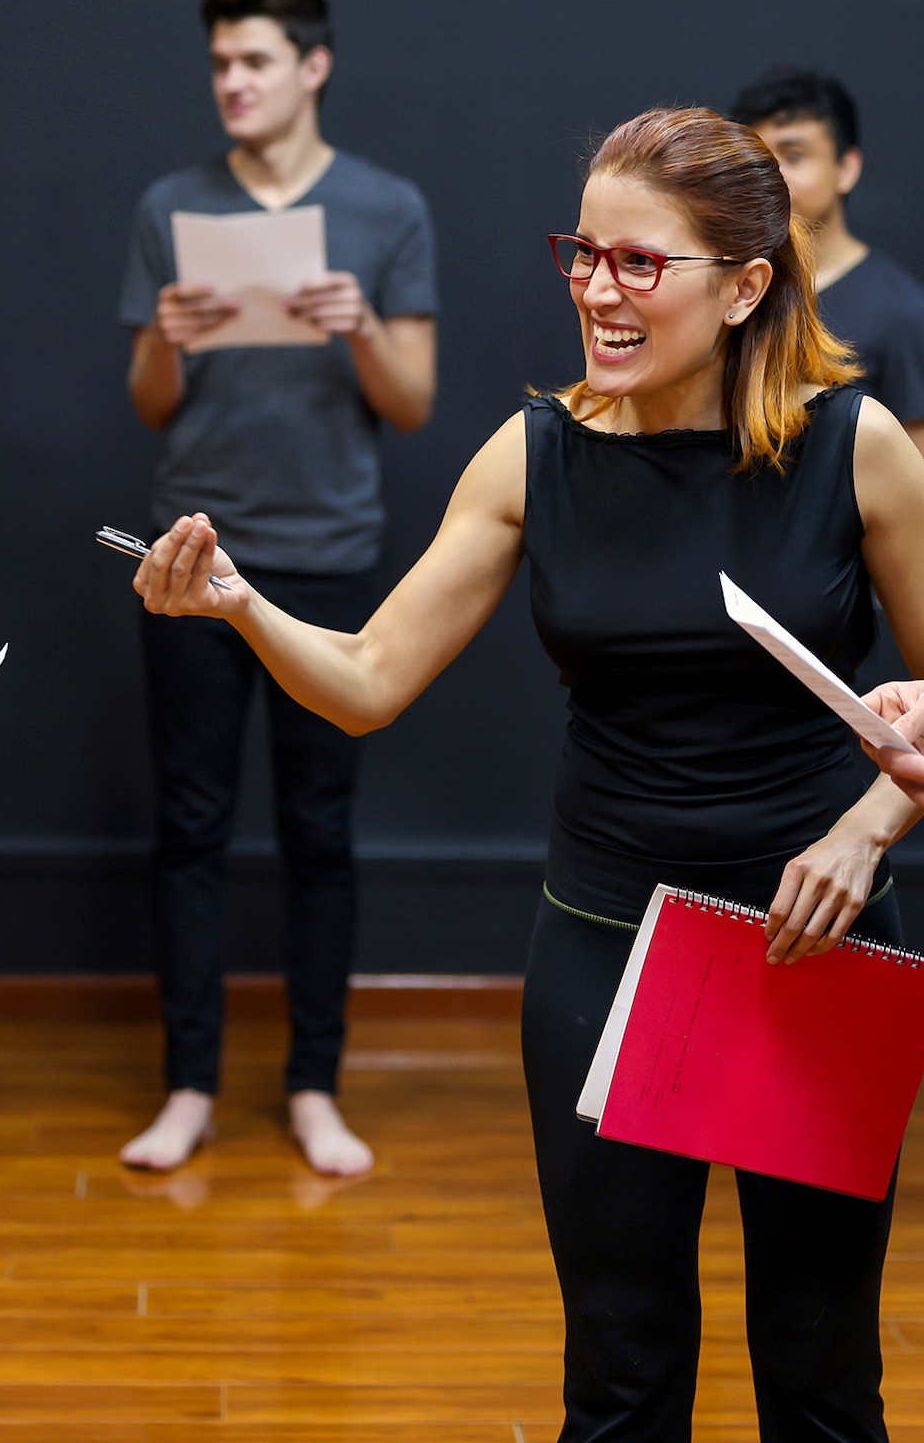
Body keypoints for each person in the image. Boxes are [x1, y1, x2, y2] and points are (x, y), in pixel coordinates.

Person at [133, 106, 924, 1438]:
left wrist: (864, 832)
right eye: (583, 254)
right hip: (610, 945)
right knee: (620, 1369)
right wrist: (240, 607)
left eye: (638, 263)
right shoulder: (535, 449)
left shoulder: (859, 446)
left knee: (821, 1373)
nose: (597, 291)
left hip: (817, 946)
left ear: (744, 287)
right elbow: (369, 680)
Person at [117, 0, 437, 1176]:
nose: (232, 82)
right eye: (219, 64)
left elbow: (413, 403)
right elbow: (150, 402)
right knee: (189, 827)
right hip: (191, 558)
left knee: (319, 831)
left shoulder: (387, 207)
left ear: (313, 67)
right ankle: (188, 1085)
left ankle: (313, 1086)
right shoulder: (170, 204)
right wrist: (166, 337)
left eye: (253, 61)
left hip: (329, 559)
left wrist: (359, 324)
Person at [731, 67, 924, 450]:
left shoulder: (901, 314)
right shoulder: (729, 289)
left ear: (846, 168)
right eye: (758, 160)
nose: (772, 176)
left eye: (794, 156)